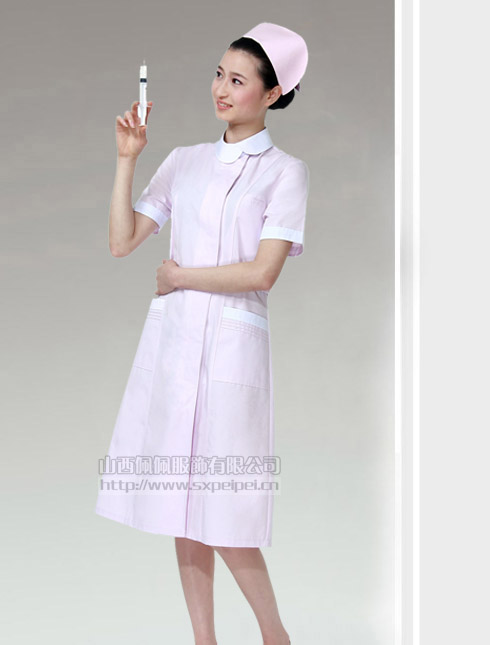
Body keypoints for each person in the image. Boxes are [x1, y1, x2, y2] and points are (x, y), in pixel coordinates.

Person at [95, 22, 309, 645]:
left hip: (233, 356)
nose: (221, 88)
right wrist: (127, 160)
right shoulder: (183, 162)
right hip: (175, 348)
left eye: (238, 81)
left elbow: (263, 272)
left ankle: (275, 637)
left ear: (271, 94)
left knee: (226, 514)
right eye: (219, 74)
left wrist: (180, 275)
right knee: (181, 509)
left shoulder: (284, 173)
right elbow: (122, 242)